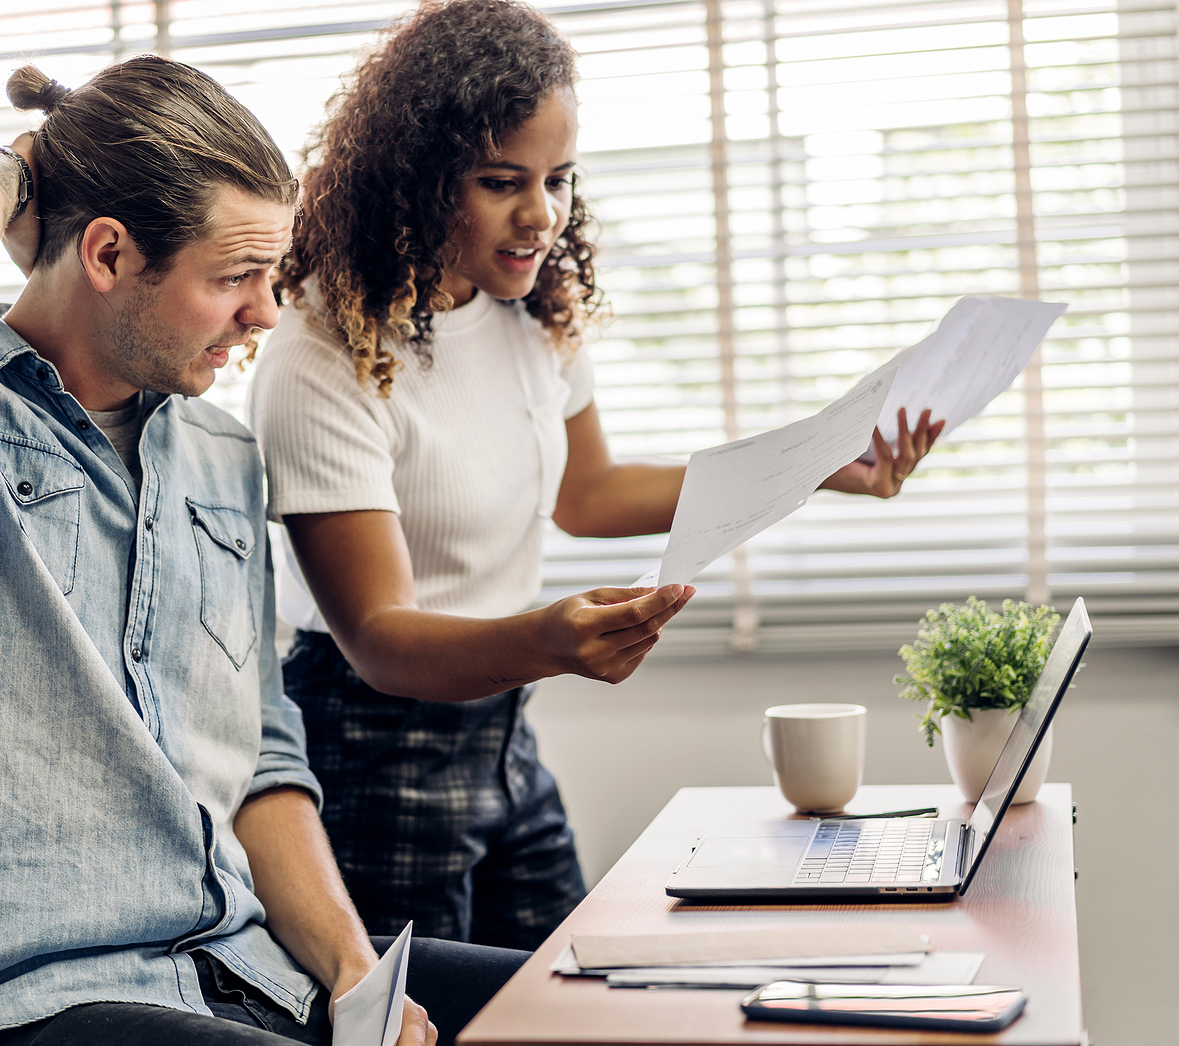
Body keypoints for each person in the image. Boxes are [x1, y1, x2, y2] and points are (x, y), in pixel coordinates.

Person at [0, 56, 526, 1046]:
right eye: (233, 277)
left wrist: (352, 973)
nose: (265, 310)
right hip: (22, 1003)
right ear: (110, 253)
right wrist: (31, 160)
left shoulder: (219, 453)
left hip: (240, 961)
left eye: (269, 274)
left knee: (584, 1004)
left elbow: (259, 751)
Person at [246, 0, 944, 951]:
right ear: (413, 182)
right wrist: (554, 639)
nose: (543, 215)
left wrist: (817, 463)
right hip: (374, 751)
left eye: (559, 178)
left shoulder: (527, 314)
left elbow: (589, 495)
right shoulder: (326, 352)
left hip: (502, 732)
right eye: (502, 182)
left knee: (568, 995)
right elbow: (380, 641)